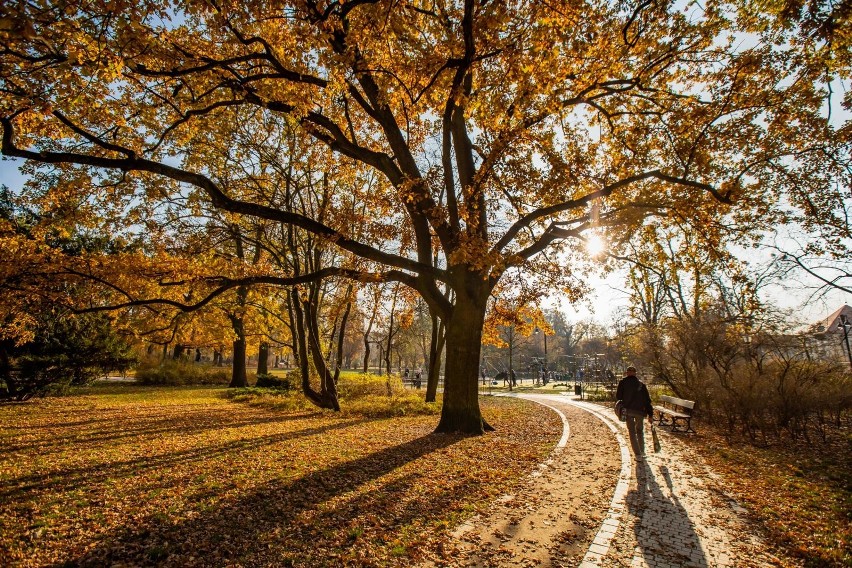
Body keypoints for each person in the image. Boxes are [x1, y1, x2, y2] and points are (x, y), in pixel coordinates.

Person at [616, 366, 654, 460]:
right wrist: (650, 414)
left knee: (632, 432)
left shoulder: (623, 382)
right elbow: (647, 400)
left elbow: (618, 396)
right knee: (640, 431)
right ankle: (642, 451)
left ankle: (637, 455)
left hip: (628, 411)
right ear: (635, 373)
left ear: (627, 372)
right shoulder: (641, 384)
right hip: (640, 411)